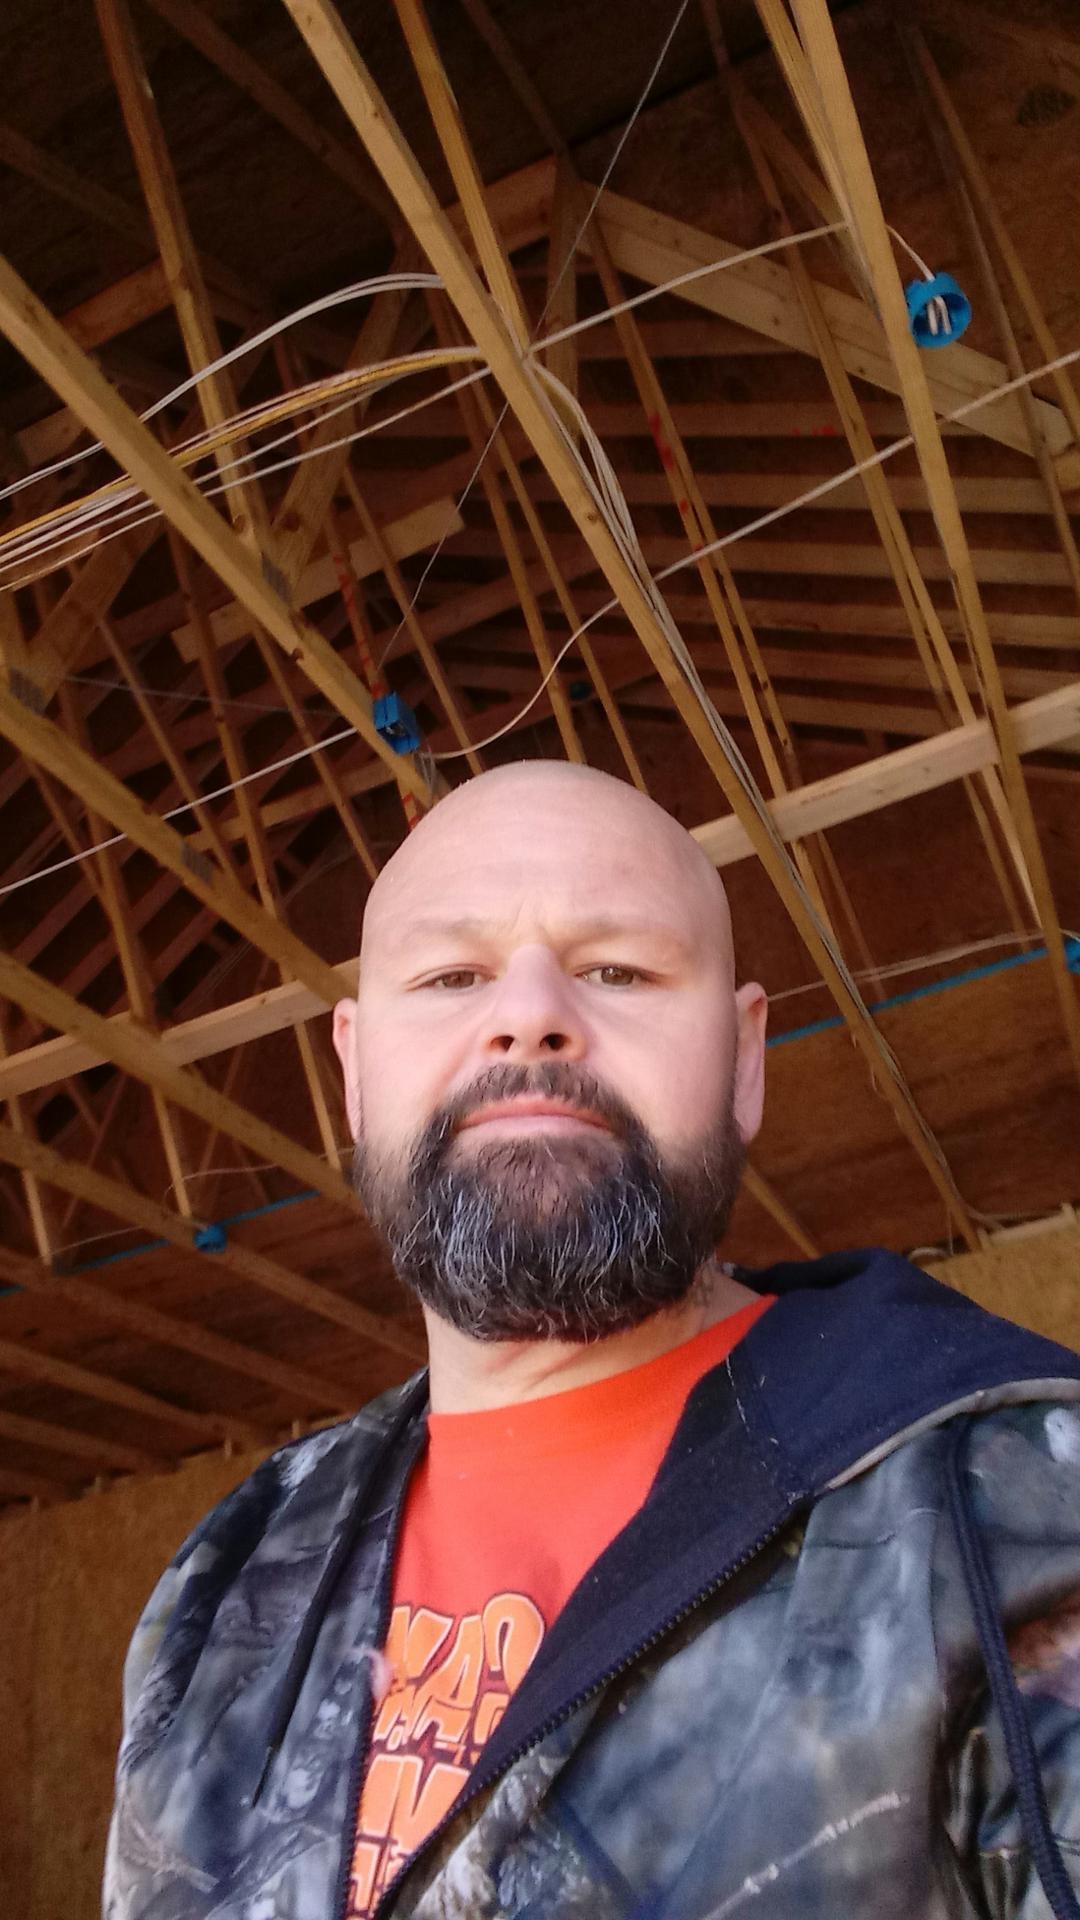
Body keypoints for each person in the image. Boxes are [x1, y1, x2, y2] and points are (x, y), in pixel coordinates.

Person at [105, 760, 1080, 1920]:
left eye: (619, 969)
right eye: (452, 976)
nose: (529, 1015)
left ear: (744, 1061)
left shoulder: (1014, 1509)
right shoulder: (229, 1575)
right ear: (356, 1075)